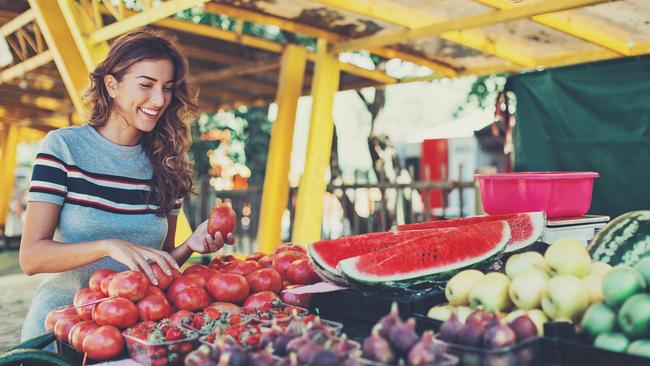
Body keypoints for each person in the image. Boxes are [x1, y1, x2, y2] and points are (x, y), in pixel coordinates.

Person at [19, 28, 233, 343]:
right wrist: (108, 245)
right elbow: (31, 257)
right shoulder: (63, 147)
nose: (159, 100)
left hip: (134, 338)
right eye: (146, 85)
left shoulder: (168, 164)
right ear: (112, 85)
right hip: (61, 330)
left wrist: (190, 245)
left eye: (168, 88)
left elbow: (157, 268)